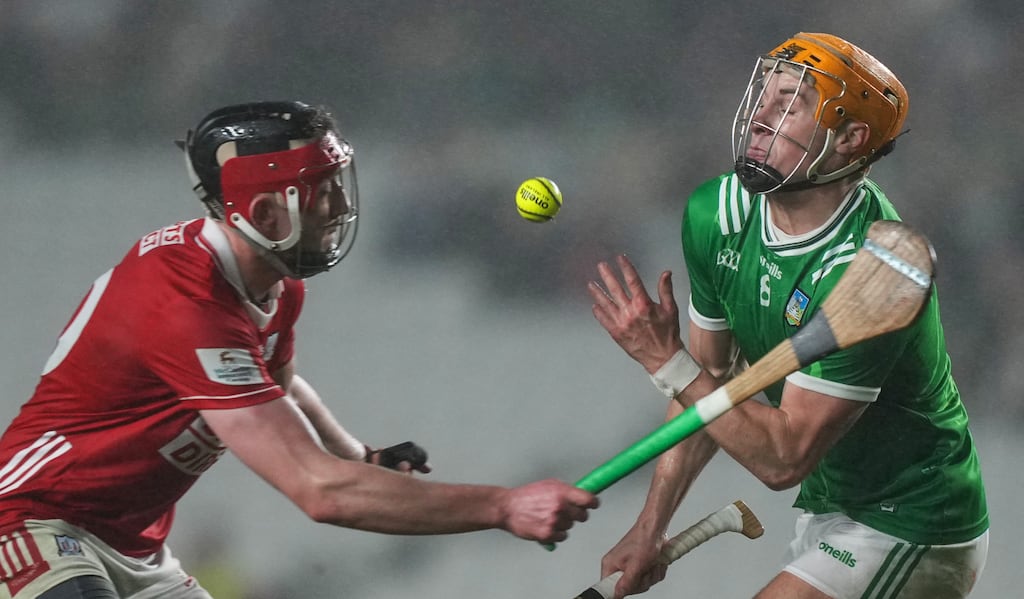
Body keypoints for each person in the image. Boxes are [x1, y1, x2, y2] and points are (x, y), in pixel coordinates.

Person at [0, 101, 598, 598]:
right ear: (264, 211)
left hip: (135, 546)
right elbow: (319, 491)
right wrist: (502, 506)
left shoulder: (275, 285)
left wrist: (359, 455)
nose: (341, 207)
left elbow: (279, 386)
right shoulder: (184, 301)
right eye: (322, 190)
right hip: (34, 521)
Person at [586, 33, 988, 598]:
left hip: (912, 519)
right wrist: (650, 528)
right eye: (764, 95)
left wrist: (663, 358)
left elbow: (780, 459)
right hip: (831, 509)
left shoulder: (868, 269)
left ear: (850, 139)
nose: (760, 117)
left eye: (790, 104)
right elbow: (710, 388)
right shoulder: (716, 213)